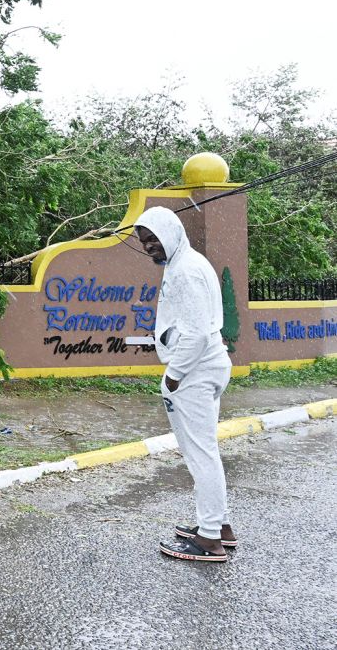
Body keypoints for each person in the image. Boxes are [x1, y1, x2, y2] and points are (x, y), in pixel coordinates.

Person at [133, 206, 236, 562]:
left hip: (194, 372)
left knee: (200, 454)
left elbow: (194, 334)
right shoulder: (188, 263)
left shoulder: (187, 271)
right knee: (205, 449)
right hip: (208, 367)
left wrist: (173, 377)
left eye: (154, 239)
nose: (149, 246)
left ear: (172, 233)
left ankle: (209, 541)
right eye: (145, 241)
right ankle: (218, 525)